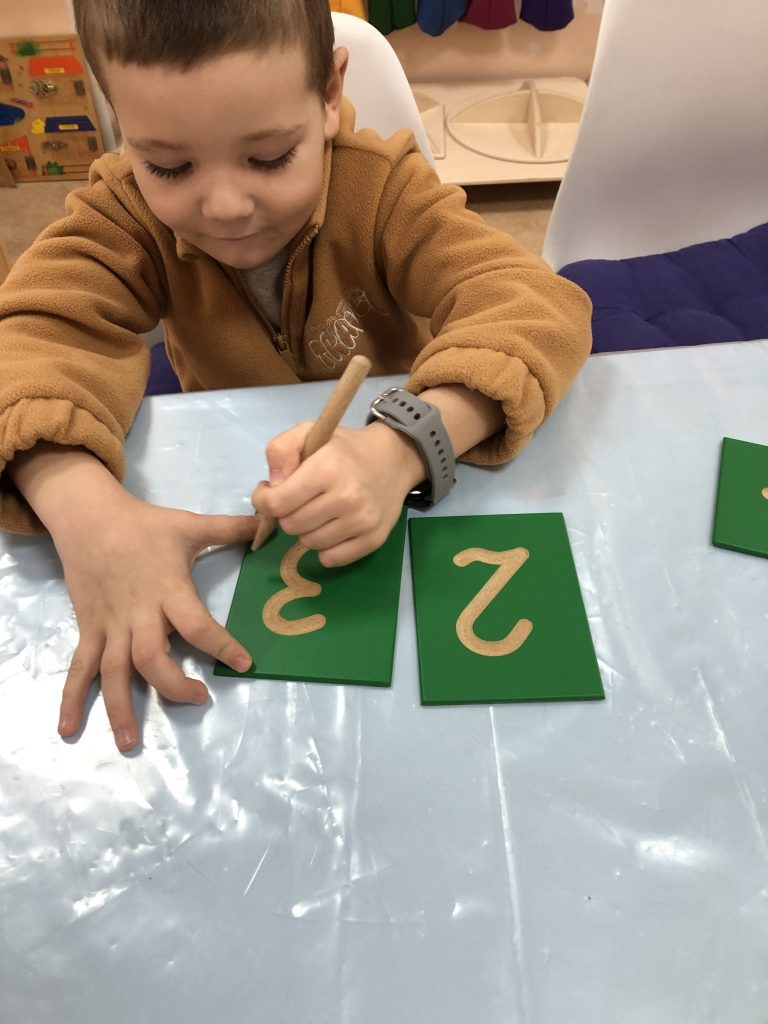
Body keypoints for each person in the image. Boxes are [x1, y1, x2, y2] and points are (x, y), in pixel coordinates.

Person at [0, 0, 592, 753]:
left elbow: (538, 305)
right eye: (169, 166)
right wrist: (86, 513)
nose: (225, 207)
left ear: (330, 94)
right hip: (235, 493)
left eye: (271, 156)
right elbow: (30, 339)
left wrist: (402, 445)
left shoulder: (382, 191)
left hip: (407, 488)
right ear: (120, 121)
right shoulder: (122, 216)